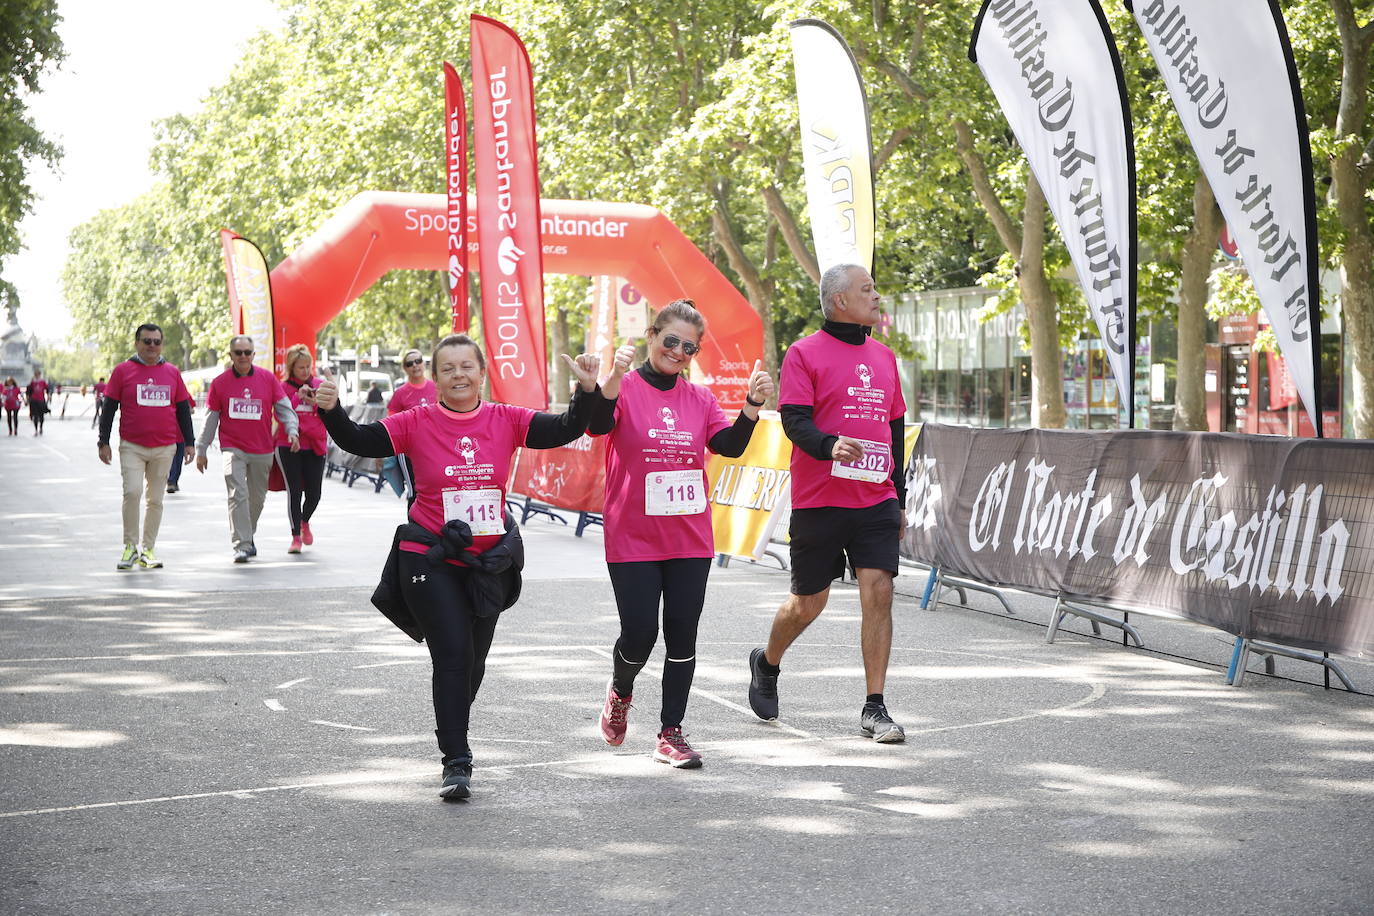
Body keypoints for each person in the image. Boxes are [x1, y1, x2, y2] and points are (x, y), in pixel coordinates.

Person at [313, 333, 600, 800]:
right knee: (452, 656)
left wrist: (586, 391)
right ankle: (457, 762)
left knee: (473, 664)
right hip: (429, 557)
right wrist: (331, 410)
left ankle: (451, 718)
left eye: (467, 366)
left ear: (482, 373)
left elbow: (565, 428)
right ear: (436, 378)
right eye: (448, 368)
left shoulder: (506, 419)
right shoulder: (416, 421)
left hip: (487, 562)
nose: (459, 375)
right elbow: (359, 439)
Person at [589, 300, 774, 769]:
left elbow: (728, 446)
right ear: (652, 336)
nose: (677, 351)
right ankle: (621, 691)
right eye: (670, 340)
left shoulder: (700, 399)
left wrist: (751, 407)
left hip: (689, 536)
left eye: (688, 347)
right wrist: (609, 382)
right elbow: (595, 425)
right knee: (639, 634)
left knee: (682, 635)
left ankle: (670, 732)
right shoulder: (625, 387)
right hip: (633, 536)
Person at [746, 263, 908, 743]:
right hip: (820, 500)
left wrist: (899, 496)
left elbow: (895, 429)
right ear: (840, 300)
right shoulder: (804, 353)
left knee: (878, 592)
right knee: (808, 603)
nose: (876, 296)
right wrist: (828, 444)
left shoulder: (884, 356)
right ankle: (766, 661)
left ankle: (875, 707)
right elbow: (793, 421)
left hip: (875, 498)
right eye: (867, 289)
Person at [97, 323, 197, 570]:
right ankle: (130, 547)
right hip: (132, 445)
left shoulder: (173, 372)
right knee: (132, 492)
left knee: (156, 499)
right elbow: (109, 408)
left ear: (162, 344)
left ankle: (148, 549)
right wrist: (103, 441)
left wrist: (190, 443)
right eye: (147, 341)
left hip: (165, 447)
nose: (152, 346)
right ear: (136, 343)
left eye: (156, 342)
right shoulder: (122, 371)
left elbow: (183, 409)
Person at [195, 336, 300, 562]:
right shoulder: (220, 383)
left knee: (257, 499)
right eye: (238, 352)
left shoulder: (267, 379)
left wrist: (292, 430)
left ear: (253, 355)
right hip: (233, 448)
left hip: (262, 449)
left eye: (247, 352)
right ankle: (241, 544)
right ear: (231, 355)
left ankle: (247, 536)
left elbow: (284, 409)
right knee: (237, 494)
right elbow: (211, 418)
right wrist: (201, 448)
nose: (243, 356)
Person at [277, 344, 328, 553]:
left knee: (314, 493)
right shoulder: (283, 387)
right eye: (301, 368)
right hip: (290, 445)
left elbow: (329, 413)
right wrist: (298, 395)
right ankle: (295, 537)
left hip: (315, 444)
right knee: (295, 491)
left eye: (308, 366)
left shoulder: (319, 385)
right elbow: (281, 413)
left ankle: (304, 521)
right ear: (292, 368)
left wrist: (313, 401)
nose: (306, 371)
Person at [387, 348, 438, 505]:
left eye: (418, 361)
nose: (415, 365)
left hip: (436, 445)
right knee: (414, 491)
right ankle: (413, 527)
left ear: (424, 363)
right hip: (409, 449)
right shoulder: (400, 393)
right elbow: (391, 421)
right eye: (410, 363)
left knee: (437, 487)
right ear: (405, 368)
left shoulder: (437, 387)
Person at [25, 369, 49, 435]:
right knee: (35, 415)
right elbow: (28, 391)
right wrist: (27, 400)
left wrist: (49, 396)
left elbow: (47, 389)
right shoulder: (32, 383)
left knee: (41, 415)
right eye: (36, 375)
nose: (37, 376)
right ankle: (36, 429)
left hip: (41, 400)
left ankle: (41, 427)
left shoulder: (43, 382)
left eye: (38, 374)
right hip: (34, 401)